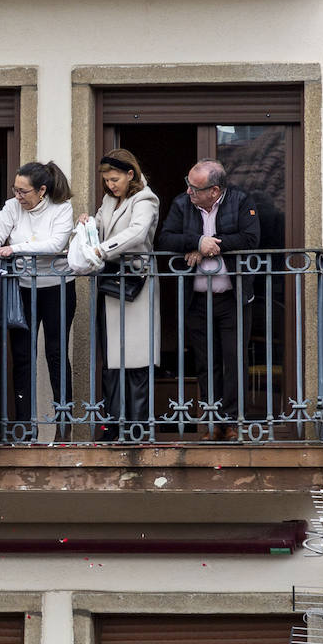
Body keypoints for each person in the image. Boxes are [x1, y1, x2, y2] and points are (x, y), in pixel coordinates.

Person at [155, 158, 261, 441]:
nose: (188, 191)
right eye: (188, 185)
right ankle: (213, 421)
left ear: (214, 191)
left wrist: (210, 245)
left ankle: (232, 422)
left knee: (233, 360)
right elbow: (165, 239)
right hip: (197, 300)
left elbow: (251, 238)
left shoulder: (241, 201)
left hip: (233, 298)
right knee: (205, 362)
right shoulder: (182, 204)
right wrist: (195, 242)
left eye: (195, 188)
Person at [0, 161, 76, 434]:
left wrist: (15, 249)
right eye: (15, 189)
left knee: (56, 354)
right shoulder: (12, 207)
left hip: (58, 287)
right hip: (22, 288)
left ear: (42, 190)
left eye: (24, 191)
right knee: (22, 355)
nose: (18, 196)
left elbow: (56, 244)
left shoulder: (61, 208)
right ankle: (25, 426)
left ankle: (63, 425)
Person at [79, 148, 160, 441]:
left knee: (136, 358)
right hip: (112, 281)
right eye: (106, 180)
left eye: (115, 179)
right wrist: (88, 223)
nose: (110, 185)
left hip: (136, 282)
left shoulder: (146, 199)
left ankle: (137, 428)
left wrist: (102, 249)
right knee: (112, 358)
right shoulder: (109, 200)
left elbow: (137, 233)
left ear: (130, 174)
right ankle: (113, 425)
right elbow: (101, 226)